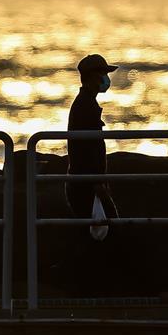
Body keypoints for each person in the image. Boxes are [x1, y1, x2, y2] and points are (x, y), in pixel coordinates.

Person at [66, 54, 119, 220]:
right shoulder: (85, 105)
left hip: (86, 181)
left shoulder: (86, 102)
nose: (106, 78)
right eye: (103, 73)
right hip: (86, 183)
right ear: (93, 77)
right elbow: (86, 149)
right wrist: (96, 181)